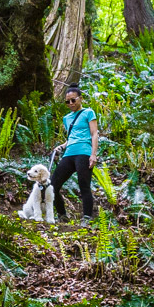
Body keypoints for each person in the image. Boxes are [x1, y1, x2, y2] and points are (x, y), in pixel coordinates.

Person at [54, 86, 99, 220]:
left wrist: (93, 154)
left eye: (73, 100)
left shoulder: (88, 113)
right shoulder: (66, 118)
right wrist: (61, 147)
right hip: (69, 154)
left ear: (80, 98)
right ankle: (62, 215)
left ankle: (86, 217)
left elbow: (94, 134)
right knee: (52, 185)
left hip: (84, 152)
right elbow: (70, 138)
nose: (71, 104)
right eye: (67, 101)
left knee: (83, 184)